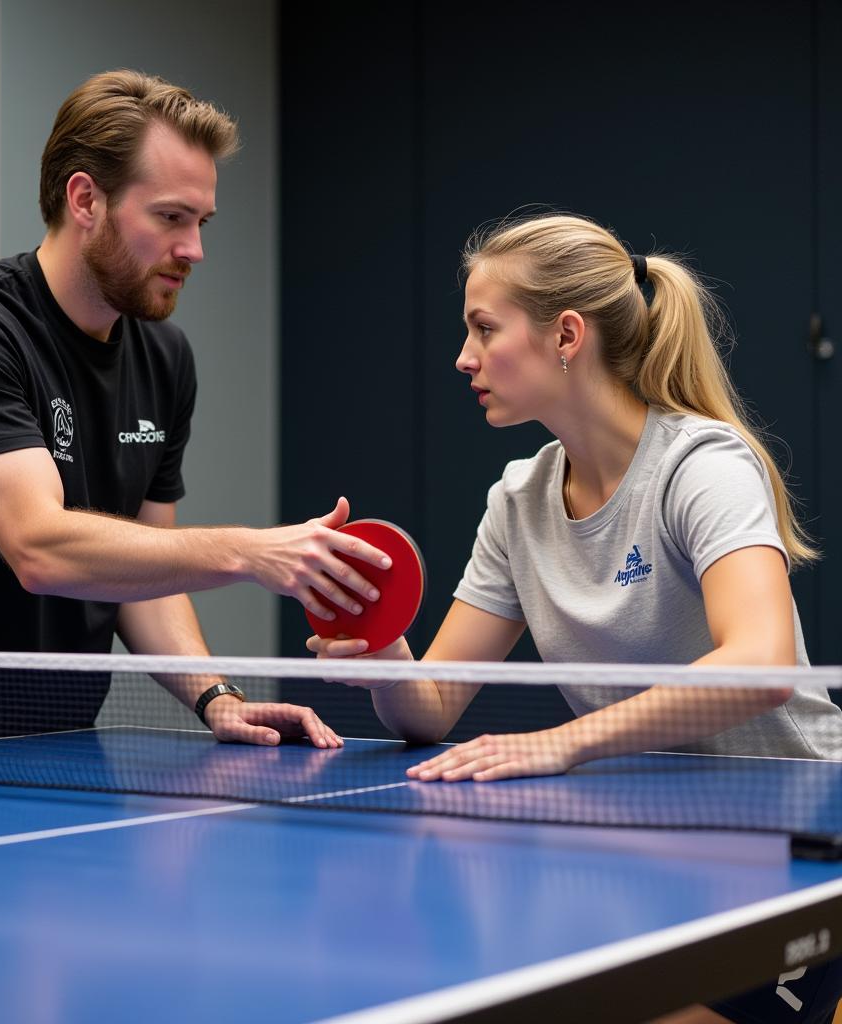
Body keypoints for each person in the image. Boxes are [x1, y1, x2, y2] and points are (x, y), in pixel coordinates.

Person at [308, 213, 842, 1024]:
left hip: (794, 838)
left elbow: (762, 663)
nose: (464, 357)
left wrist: (562, 743)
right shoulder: (519, 500)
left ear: (566, 335)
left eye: (485, 329)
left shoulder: (700, 467)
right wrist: (379, 641)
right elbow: (433, 705)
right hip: (650, 839)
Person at [0, 69, 390, 752]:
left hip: (50, 745)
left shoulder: (165, 358)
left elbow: (140, 574)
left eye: (201, 222)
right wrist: (249, 551)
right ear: (85, 198)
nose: (195, 250)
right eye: (171, 217)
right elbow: (39, 547)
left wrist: (216, 697)